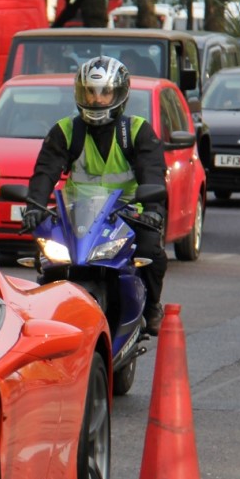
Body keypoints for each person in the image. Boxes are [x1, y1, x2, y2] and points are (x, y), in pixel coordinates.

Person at [22, 56, 169, 335]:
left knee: (151, 251)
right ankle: (47, 307)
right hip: (77, 214)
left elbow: (152, 173)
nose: (97, 100)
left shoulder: (137, 131)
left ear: (121, 94)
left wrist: (153, 209)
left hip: (126, 213)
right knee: (47, 254)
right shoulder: (66, 130)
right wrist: (34, 206)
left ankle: (152, 306)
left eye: (105, 92)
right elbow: (45, 172)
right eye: (90, 91)